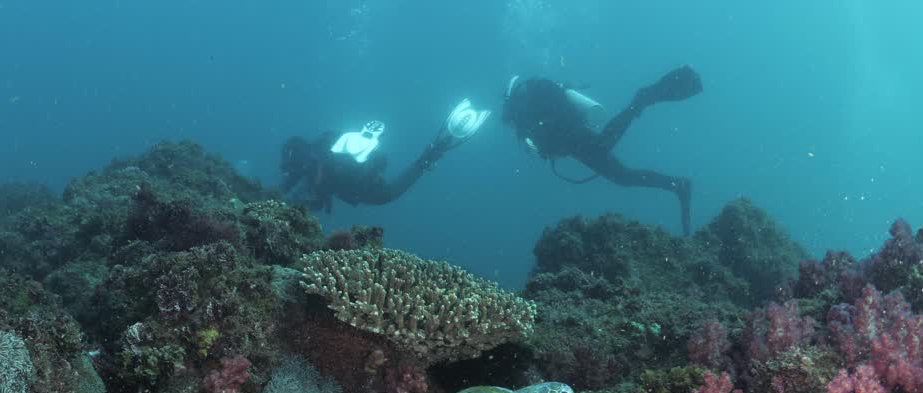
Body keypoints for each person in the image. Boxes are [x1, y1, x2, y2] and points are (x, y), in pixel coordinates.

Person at [502, 66, 703, 235]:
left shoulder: (521, 108)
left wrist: (540, 139)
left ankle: (640, 100)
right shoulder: (524, 109)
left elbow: (544, 131)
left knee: (604, 146)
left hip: (570, 134)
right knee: (622, 177)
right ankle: (678, 185)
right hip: (571, 142)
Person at [281, 99, 490, 213]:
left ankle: (433, 153)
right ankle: (432, 153)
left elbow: (387, 194)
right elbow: (388, 194)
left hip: (342, 178)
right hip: (336, 176)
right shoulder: (315, 158)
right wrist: (425, 161)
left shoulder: (334, 160)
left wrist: (425, 160)